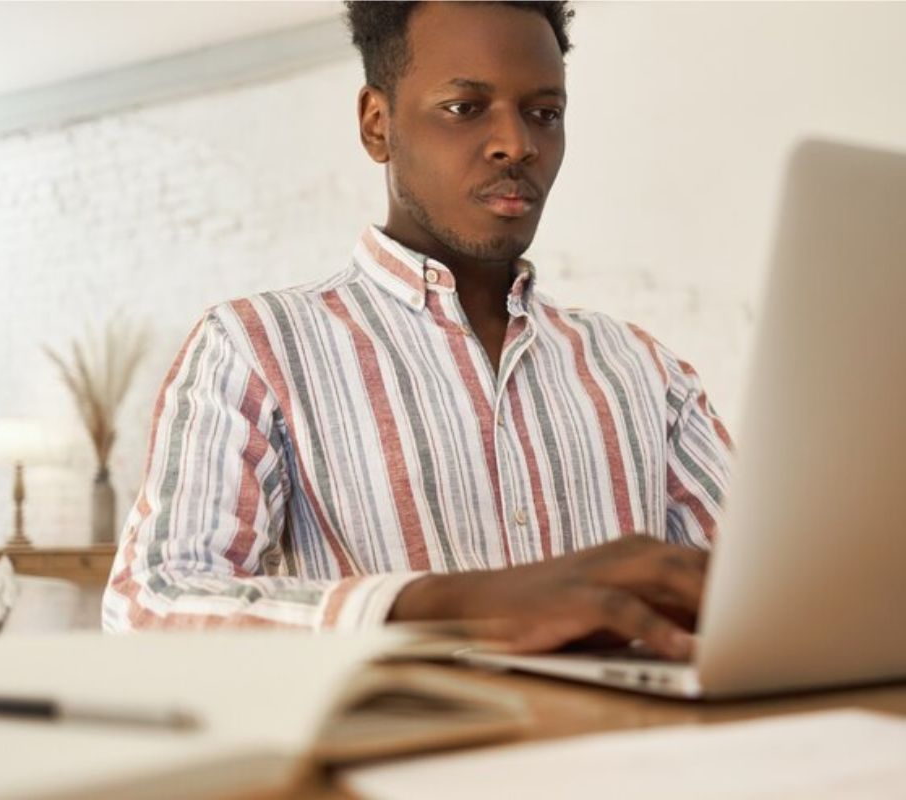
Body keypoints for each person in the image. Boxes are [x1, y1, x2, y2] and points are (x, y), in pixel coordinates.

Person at [103, 0, 733, 661]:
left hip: (635, 752)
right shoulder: (254, 348)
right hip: (408, 754)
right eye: (465, 107)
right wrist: (456, 606)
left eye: (544, 113)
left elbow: (772, 590)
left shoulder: (644, 369)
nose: (517, 144)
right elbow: (151, 605)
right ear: (378, 125)